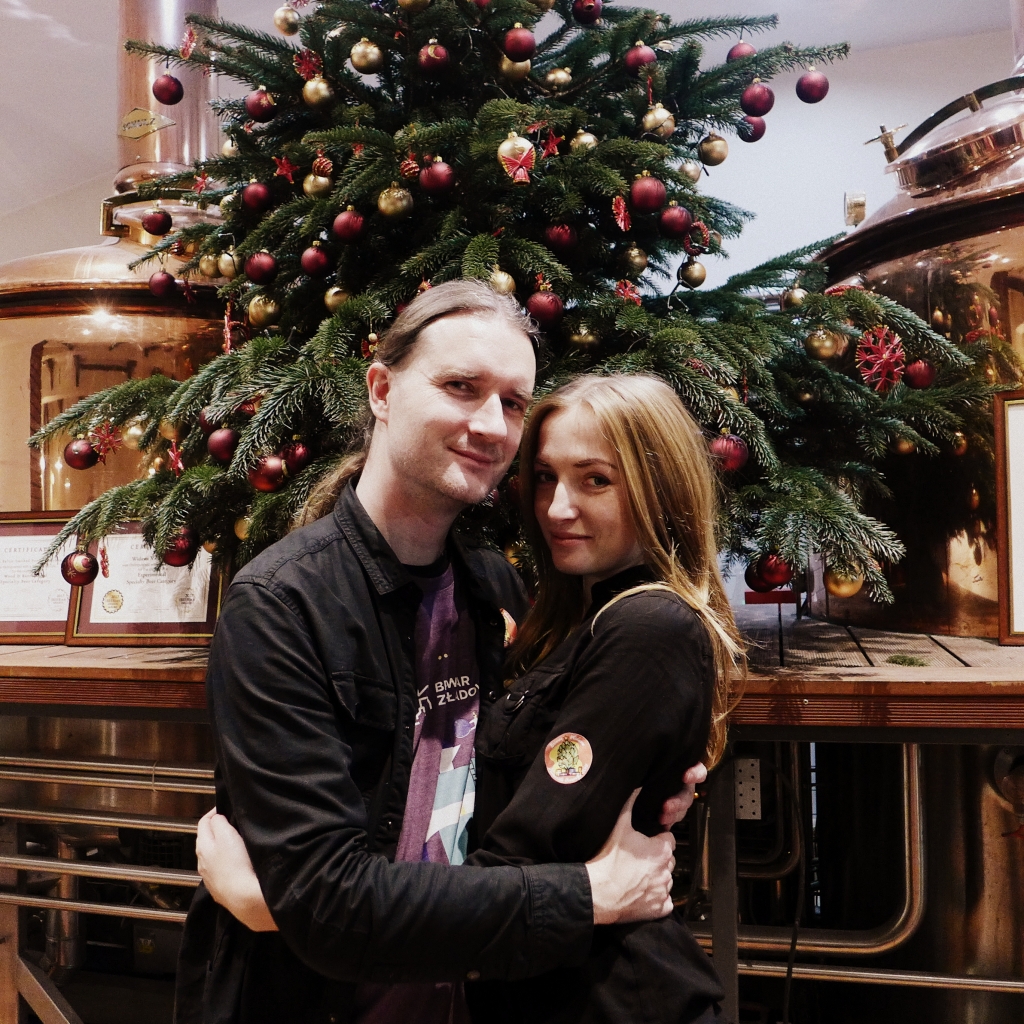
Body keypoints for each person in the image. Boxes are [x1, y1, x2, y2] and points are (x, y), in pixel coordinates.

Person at [178, 280, 704, 1024]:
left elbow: (544, 790)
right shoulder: (282, 606)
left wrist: (652, 789)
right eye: (461, 387)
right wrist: (590, 895)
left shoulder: (498, 591)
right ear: (382, 390)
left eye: (513, 403)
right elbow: (326, 902)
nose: (490, 424)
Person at [464, 373, 744, 1022]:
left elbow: (532, 848)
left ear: (659, 489)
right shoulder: (577, 620)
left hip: (611, 997)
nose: (557, 508)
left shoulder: (648, 627)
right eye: (545, 477)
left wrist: (362, 905)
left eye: (595, 480)